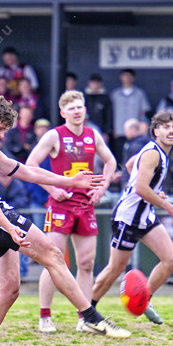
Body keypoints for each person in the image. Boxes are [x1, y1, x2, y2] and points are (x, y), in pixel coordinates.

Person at [0, 96, 130, 346]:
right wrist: (9, 227)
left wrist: (70, 181)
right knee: (53, 254)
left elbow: (27, 171)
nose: (2, 135)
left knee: (9, 291)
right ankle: (91, 317)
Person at [26, 90, 117, 333]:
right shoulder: (54, 135)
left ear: (85, 110)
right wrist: (52, 189)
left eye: (80, 107)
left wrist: (101, 188)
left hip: (85, 205)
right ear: (63, 112)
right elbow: (31, 164)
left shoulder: (92, 135)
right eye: (72, 108)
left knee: (86, 263)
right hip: (61, 205)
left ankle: (84, 318)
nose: (77, 112)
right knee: (53, 259)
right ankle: (45, 316)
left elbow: (110, 161)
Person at [91, 110, 173, 326]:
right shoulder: (153, 153)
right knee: (115, 269)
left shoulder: (158, 151)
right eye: (166, 127)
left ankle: (144, 299)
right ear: (156, 131)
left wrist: (155, 190)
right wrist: (169, 207)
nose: (171, 131)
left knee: (171, 260)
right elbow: (141, 189)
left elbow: (130, 165)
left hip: (145, 215)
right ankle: (88, 311)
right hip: (128, 217)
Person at [110, 68, 151, 157]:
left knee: (134, 154)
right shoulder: (115, 94)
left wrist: (141, 129)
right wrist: (113, 129)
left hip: (135, 132)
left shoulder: (139, 93)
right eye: (125, 76)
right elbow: (111, 113)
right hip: (119, 131)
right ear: (121, 77)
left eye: (129, 76)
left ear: (133, 78)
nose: (127, 78)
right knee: (119, 155)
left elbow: (143, 113)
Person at [84, 73, 113, 144]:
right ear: (89, 83)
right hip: (87, 131)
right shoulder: (85, 98)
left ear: (101, 84)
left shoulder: (105, 98)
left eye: (97, 83)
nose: (95, 85)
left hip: (101, 131)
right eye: (93, 82)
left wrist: (106, 132)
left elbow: (109, 116)